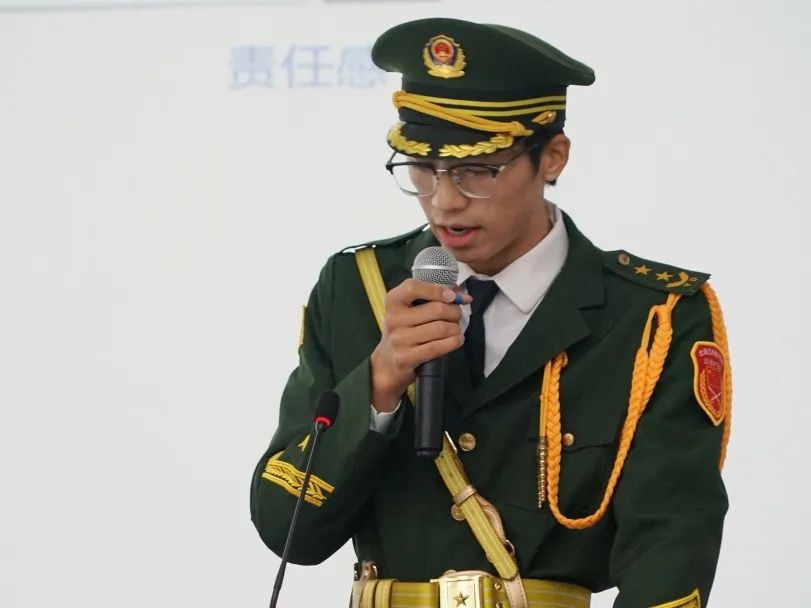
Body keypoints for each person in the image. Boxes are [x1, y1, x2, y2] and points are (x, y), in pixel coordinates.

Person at [250, 17, 731, 608]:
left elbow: (671, 545)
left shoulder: (652, 317)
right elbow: (288, 529)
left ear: (552, 157)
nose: (444, 201)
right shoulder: (358, 288)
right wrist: (377, 385)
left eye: (477, 170)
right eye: (421, 168)